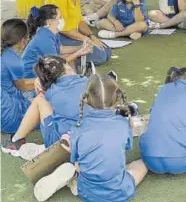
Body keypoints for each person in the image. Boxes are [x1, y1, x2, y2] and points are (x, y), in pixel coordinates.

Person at [37, 74, 147, 202]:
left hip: (86, 192)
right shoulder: (123, 123)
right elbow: (127, 147)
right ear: (116, 98)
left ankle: (73, 179)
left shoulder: (78, 128)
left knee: (82, 164)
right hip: (118, 192)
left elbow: (77, 162)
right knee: (142, 164)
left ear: (86, 99)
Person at [1, 56, 88, 154]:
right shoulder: (87, 81)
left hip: (65, 145)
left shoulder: (51, 92)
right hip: (93, 141)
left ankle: (16, 141)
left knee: (39, 100)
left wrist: (39, 84)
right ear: (66, 66)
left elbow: (44, 90)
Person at [23, 5, 92, 78]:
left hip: (42, 67)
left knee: (69, 58)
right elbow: (56, 63)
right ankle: (74, 80)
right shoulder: (44, 38)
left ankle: (74, 78)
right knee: (66, 62)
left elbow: (61, 49)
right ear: (50, 21)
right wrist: (78, 53)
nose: (62, 20)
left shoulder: (52, 32)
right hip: (32, 76)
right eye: (60, 17)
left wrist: (81, 47)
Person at [0, 19, 34, 138]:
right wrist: (44, 81)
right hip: (8, 114)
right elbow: (22, 86)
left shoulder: (4, 54)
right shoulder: (14, 61)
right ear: (23, 40)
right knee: (44, 107)